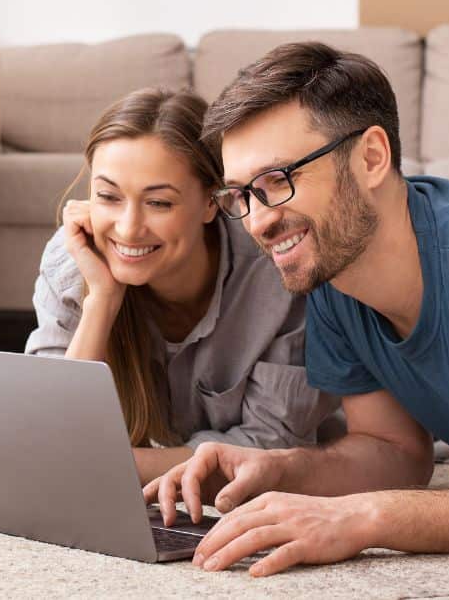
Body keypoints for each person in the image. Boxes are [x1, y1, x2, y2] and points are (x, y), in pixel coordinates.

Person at [144, 42, 449, 576]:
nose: (259, 222)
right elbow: (394, 451)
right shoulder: (332, 275)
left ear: (372, 157)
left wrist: (363, 517)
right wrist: (273, 469)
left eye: (278, 181)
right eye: (243, 195)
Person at [25, 87, 340, 484]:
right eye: (108, 196)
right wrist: (102, 301)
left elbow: (271, 445)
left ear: (213, 202)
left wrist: (108, 465)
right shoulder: (73, 260)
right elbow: (50, 436)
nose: (127, 228)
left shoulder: (275, 268)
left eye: (159, 203)